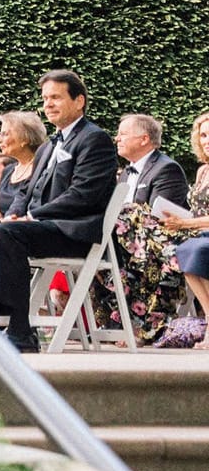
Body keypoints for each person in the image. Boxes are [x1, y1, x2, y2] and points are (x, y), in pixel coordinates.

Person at [0, 70, 119, 352]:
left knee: (11, 233)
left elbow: (84, 195)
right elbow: (26, 191)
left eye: (56, 97)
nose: (48, 104)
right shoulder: (48, 146)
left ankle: (19, 332)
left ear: (79, 101)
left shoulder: (95, 139)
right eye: (45, 98)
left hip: (73, 231)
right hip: (34, 229)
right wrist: (15, 213)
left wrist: (34, 217)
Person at [84, 113, 191, 344]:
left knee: (127, 253)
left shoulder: (167, 168)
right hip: (124, 241)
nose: (117, 138)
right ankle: (114, 323)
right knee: (93, 247)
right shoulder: (125, 173)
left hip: (158, 241)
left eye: (123, 134)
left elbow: (158, 218)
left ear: (144, 139)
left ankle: (143, 327)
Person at [163, 113, 209, 346]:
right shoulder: (202, 171)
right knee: (179, 250)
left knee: (198, 250)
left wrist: (185, 224)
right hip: (197, 232)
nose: (206, 140)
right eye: (203, 135)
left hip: (201, 233)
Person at [0, 112, 47, 225]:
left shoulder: (42, 169)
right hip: (1, 227)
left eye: (5, 134)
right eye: (0, 134)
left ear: (25, 138)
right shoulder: (8, 171)